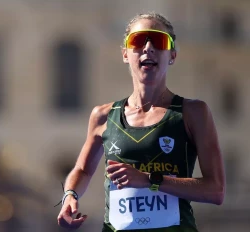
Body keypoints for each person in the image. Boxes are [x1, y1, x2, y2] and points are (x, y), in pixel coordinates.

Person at [57, 12, 225, 232]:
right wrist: (70, 195)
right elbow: (83, 170)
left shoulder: (192, 112)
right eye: (138, 41)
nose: (148, 48)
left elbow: (216, 191)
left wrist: (149, 179)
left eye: (158, 41)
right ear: (125, 54)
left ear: (172, 55)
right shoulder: (103, 115)